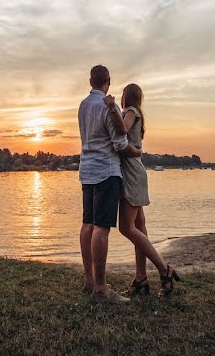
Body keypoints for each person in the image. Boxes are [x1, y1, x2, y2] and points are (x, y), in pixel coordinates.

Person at [105, 84, 180, 297]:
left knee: (126, 228)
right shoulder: (139, 114)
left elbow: (122, 130)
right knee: (139, 225)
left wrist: (111, 108)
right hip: (136, 170)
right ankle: (141, 278)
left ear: (125, 97)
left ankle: (164, 270)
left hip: (131, 173)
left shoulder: (130, 112)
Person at [78, 64, 142, 304]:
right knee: (102, 228)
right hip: (106, 171)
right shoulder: (110, 106)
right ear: (108, 82)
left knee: (87, 225)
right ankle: (102, 288)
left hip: (87, 170)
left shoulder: (83, 105)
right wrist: (136, 152)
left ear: (90, 81)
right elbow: (119, 143)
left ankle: (89, 280)